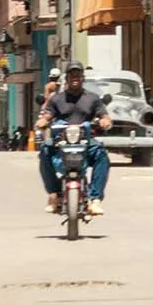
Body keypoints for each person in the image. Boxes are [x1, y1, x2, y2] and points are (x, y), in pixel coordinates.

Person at [36, 62, 112, 214]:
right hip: (61, 141)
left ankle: (95, 199)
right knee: (45, 151)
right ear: (67, 78)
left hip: (85, 140)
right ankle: (54, 195)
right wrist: (43, 121)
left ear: (83, 78)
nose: (75, 78)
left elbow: (103, 115)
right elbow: (48, 114)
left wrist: (105, 121)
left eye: (78, 75)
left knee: (102, 156)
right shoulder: (57, 99)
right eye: (72, 75)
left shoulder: (92, 98)